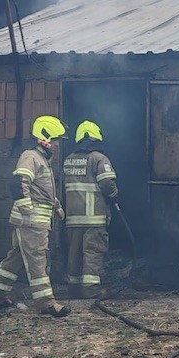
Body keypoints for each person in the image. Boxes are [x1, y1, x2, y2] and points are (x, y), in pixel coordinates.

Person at [0, 115, 71, 317]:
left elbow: (42, 190)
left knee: (15, 258)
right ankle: (46, 303)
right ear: (46, 138)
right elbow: (18, 183)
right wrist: (28, 211)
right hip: (32, 222)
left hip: (34, 220)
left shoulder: (41, 159)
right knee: (37, 259)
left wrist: (57, 206)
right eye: (57, 140)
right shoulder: (31, 157)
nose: (58, 145)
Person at [62, 120, 119, 298]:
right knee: (93, 251)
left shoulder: (69, 159)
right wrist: (114, 196)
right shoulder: (99, 159)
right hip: (94, 217)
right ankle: (91, 289)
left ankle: (73, 287)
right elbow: (107, 184)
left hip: (73, 217)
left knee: (75, 253)